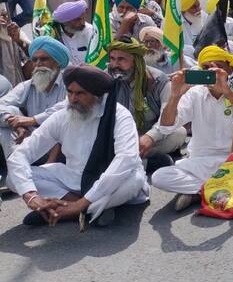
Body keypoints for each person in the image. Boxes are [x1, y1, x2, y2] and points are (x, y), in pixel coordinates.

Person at [6, 64, 150, 228]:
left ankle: (72, 210)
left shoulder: (119, 116)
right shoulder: (62, 116)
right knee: (15, 177)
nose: (73, 99)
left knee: (135, 179)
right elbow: (21, 154)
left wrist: (82, 203)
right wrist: (32, 196)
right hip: (75, 180)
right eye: (70, 92)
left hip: (111, 181)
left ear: (98, 95)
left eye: (80, 93)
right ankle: (85, 210)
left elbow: (125, 160)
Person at [151, 46, 233, 211]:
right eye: (205, 68)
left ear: (230, 69)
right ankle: (227, 190)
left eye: (216, 67)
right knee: (159, 177)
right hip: (200, 163)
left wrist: (228, 93)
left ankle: (199, 192)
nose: (211, 72)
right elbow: (166, 127)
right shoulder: (194, 93)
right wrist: (175, 96)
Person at [106, 37, 183, 171]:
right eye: (112, 59)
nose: (115, 64)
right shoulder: (105, 78)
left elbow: (167, 120)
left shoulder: (158, 81)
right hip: (116, 136)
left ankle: (120, 161)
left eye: (121, 59)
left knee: (179, 133)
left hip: (146, 137)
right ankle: (145, 164)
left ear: (136, 60)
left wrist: (150, 137)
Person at [0, 37, 69, 159]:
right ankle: (14, 165)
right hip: (32, 144)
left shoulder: (69, 84)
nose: (38, 64)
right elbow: (2, 105)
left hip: (62, 147)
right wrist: (18, 124)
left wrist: (33, 120)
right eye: (34, 60)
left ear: (57, 61)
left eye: (44, 59)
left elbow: (67, 108)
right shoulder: (28, 86)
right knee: (10, 113)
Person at [51, 0, 95, 65]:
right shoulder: (53, 34)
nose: (82, 23)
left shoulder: (90, 31)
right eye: (78, 20)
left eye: (83, 18)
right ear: (65, 22)